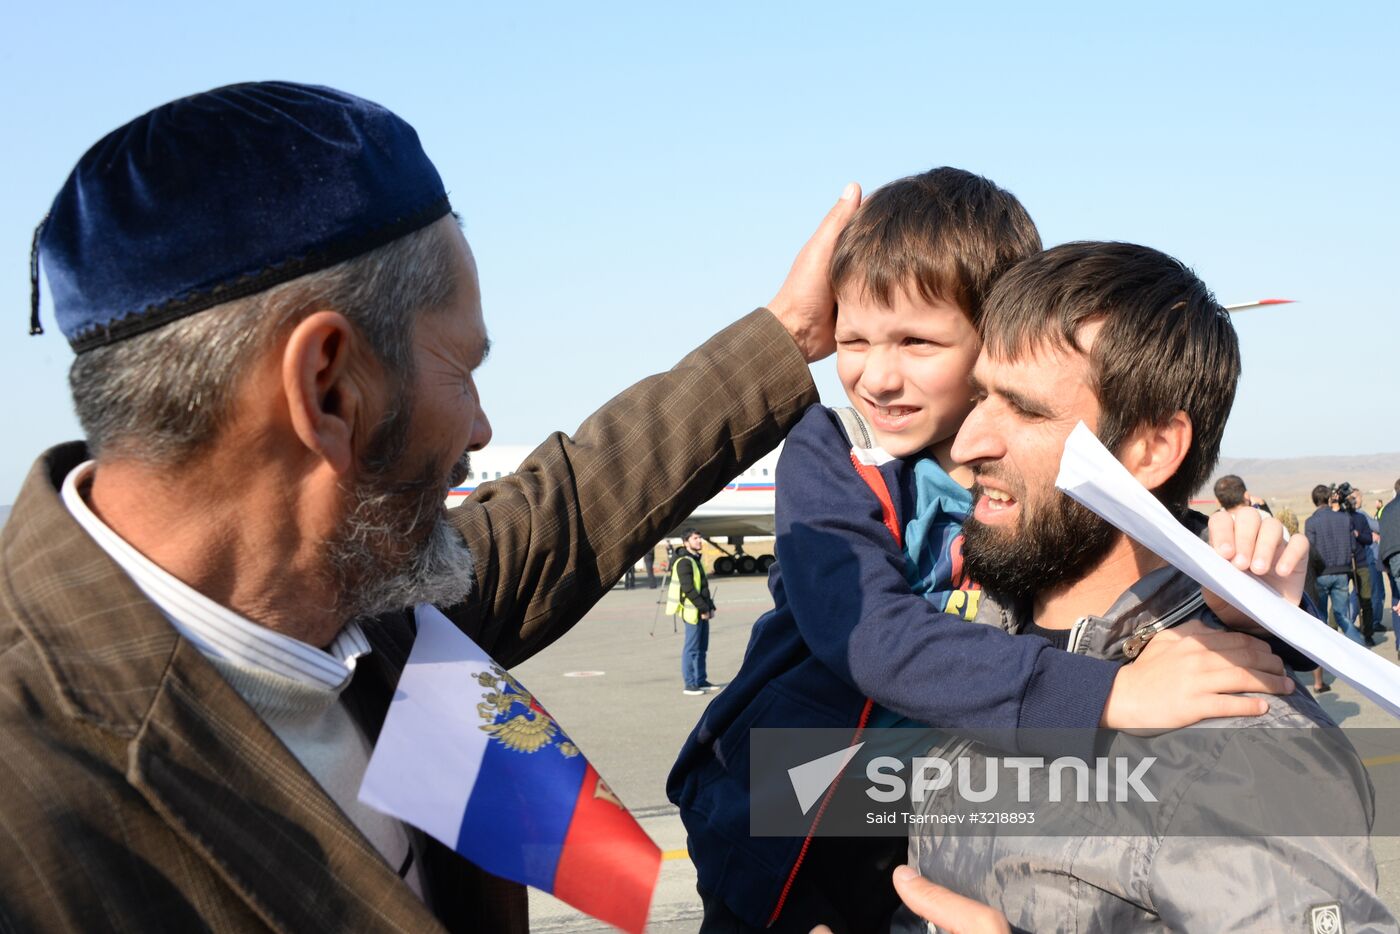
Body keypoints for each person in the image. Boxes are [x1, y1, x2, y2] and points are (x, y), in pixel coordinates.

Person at [0, 81, 859, 933]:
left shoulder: (351, 603)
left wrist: (788, 334)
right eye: (461, 367)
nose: (480, 425)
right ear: (329, 389)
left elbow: (560, 511)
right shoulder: (33, 818)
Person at [668, 169, 1300, 933]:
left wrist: (1251, 593)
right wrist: (1104, 698)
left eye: (917, 342)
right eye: (853, 340)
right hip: (783, 803)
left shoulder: (1010, 469)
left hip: (912, 801)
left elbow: (1120, 549)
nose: (876, 373)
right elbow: (873, 639)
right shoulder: (836, 452)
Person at [901, 241, 1389, 932]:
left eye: (1026, 410)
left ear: (1151, 449)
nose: (970, 440)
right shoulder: (973, 655)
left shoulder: (1241, 753)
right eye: (980, 395)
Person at [1307, 484, 1369, 645]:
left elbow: (1311, 551)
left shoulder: (1311, 522)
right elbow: (1353, 546)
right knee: (1342, 616)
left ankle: (1327, 652)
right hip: (1343, 572)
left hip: (1321, 574)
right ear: (1329, 498)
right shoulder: (1344, 518)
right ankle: (1360, 650)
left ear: (1314, 501)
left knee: (1321, 617)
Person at [668, 528, 718, 694]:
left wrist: (710, 607)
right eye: (695, 538)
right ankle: (690, 684)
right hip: (692, 612)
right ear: (686, 542)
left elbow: (703, 587)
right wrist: (703, 608)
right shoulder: (684, 562)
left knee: (702, 648)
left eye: (700, 538)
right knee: (692, 648)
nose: (699, 541)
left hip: (702, 610)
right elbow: (689, 589)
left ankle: (701, 680)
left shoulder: (695, 559)